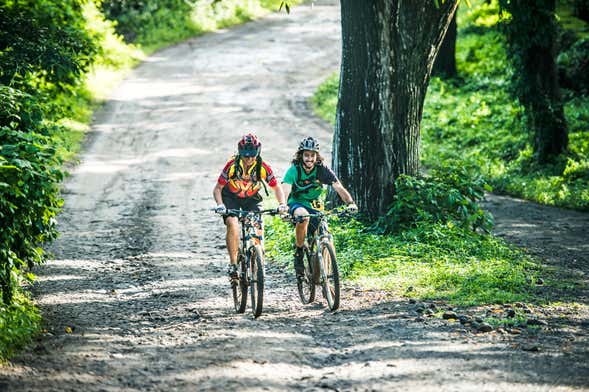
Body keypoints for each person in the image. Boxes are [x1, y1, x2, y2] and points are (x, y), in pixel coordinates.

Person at [281, 136, 358, 280]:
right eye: (306, 155)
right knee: (303, 217)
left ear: (317, 157)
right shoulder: (294, 170)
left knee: (325, 233)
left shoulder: (321, 170)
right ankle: (298, 252)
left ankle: (324, 270)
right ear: (301, 156)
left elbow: (338, 186)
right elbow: (285, 189)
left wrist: (350, 202)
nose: (309, 159)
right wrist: (283, 207)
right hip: (297, 204)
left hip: (315, 206)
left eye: (312, 155)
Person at [213, 133, 287, 280]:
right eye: (246, 156)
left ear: (258, 153)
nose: (249, 159)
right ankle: (233, 264)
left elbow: (276, 187)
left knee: (256, 223)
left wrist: (282, 204)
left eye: (252, 155)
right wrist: (220, 205)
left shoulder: (263, 167)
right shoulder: (232, 165)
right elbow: (217, 189)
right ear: (240, 153)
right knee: (232, 222)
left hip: (252, 198)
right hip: (231, 197)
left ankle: (258, 255)